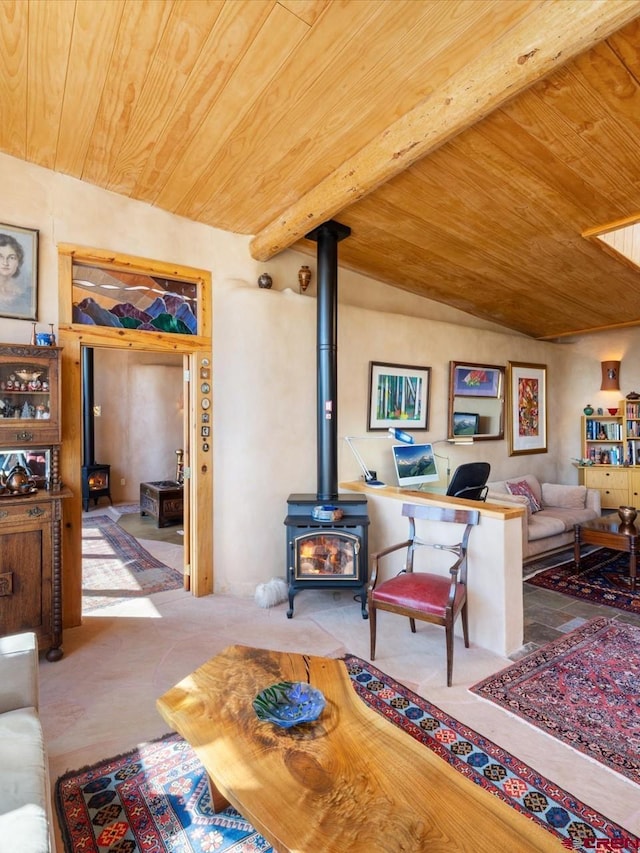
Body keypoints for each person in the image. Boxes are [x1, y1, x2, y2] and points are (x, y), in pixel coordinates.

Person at [0, 232, 35, 318]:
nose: (5, 263)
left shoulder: (25, 293)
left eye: (11, 257)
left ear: (18, 262)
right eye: (0, 256)